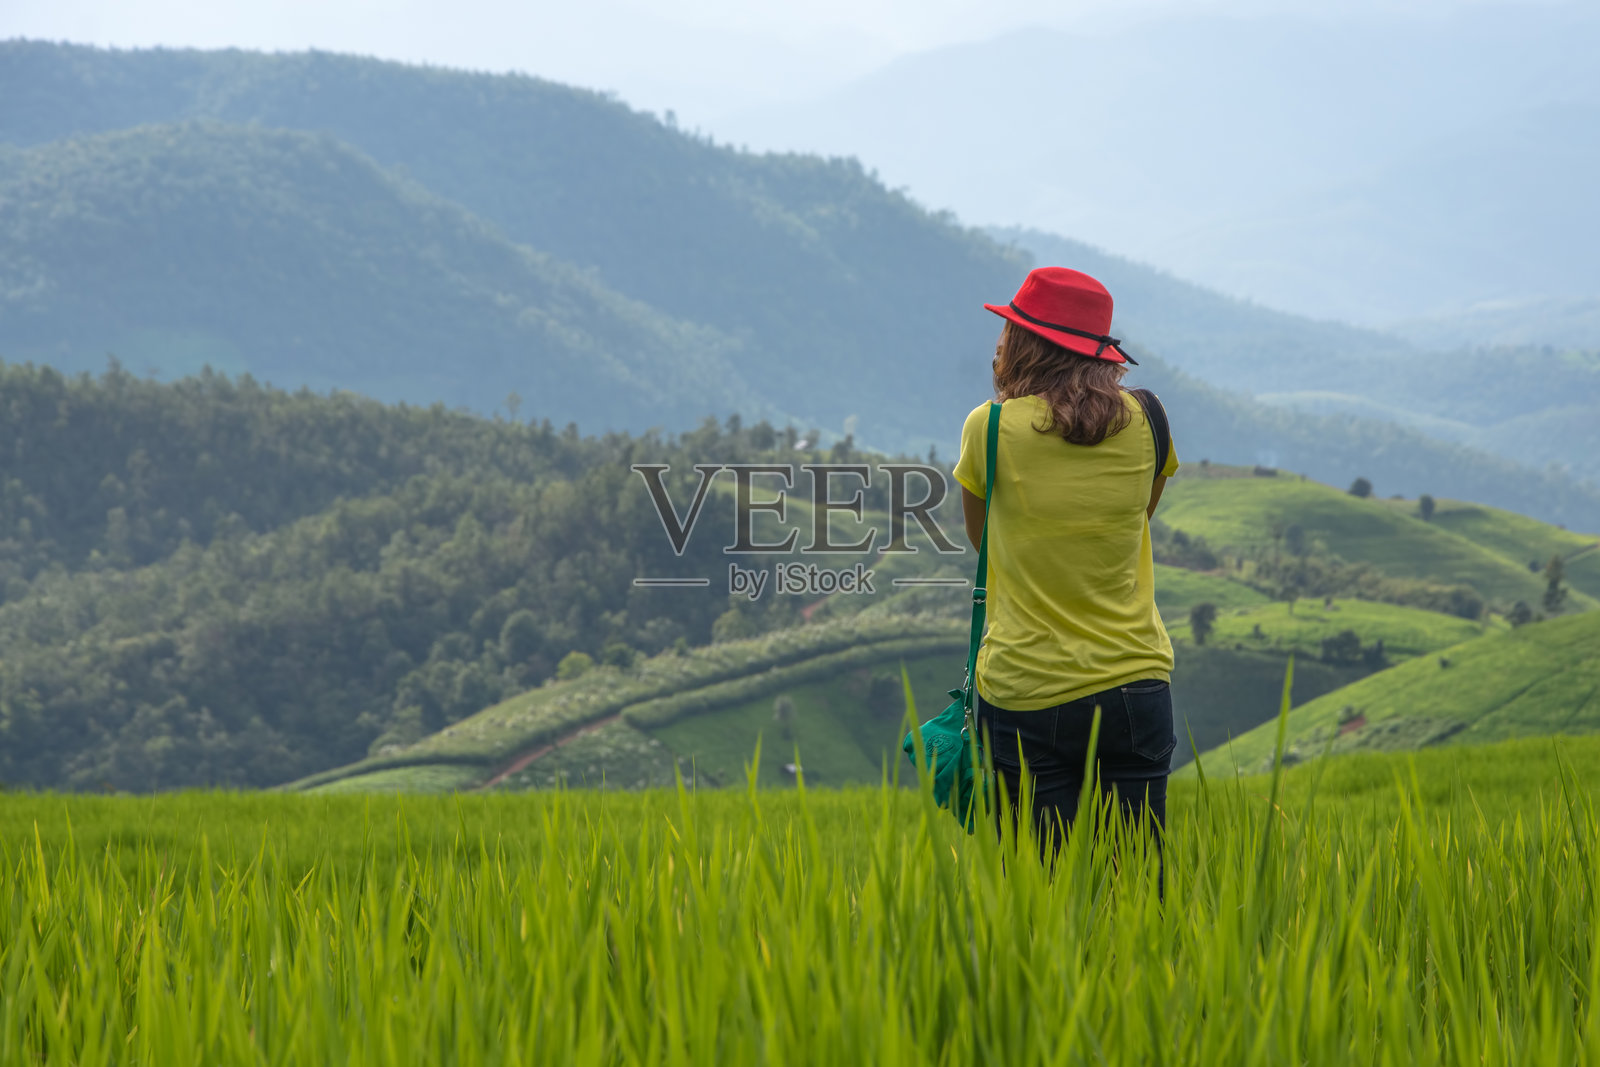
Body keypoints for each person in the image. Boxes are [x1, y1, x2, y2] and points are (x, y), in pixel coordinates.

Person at [951, 266, 1178, 862]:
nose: (999, 342)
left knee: (1044, 895)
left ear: (1028, 342)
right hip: (1135, 680)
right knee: (1138, 890)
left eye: (1008, 329)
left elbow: (986, 543)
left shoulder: (991, 427)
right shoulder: (1150, 419)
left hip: (1027, 686)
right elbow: (1135, 522)